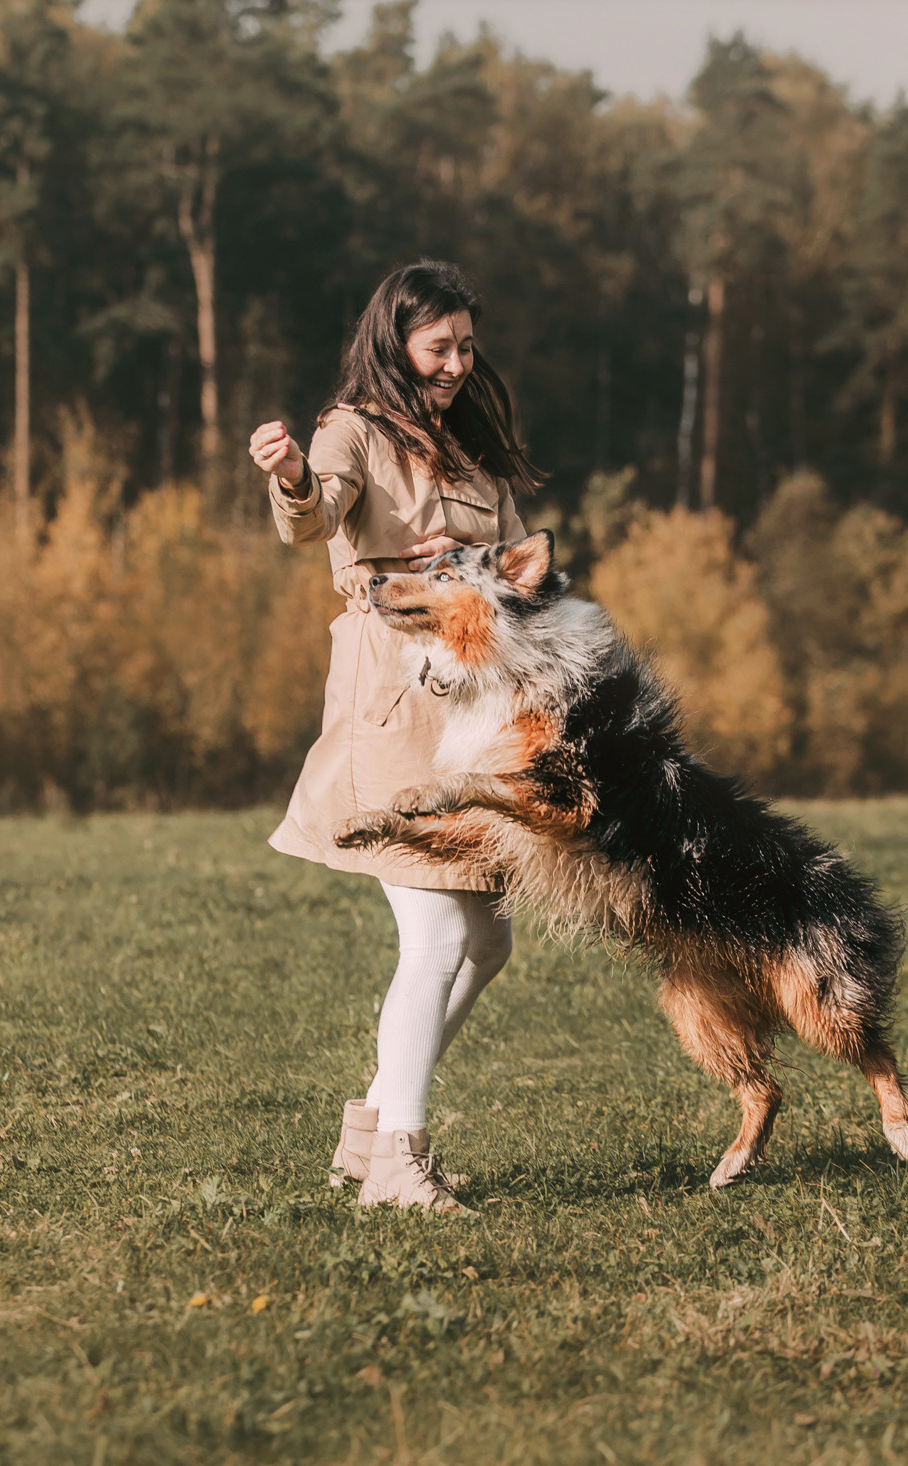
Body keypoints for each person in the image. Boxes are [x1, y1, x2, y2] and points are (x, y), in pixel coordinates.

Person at [248, 260, 543, 1214]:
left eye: (466, 345)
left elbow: (524, 561)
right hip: (392, 695)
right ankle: (396, 1165)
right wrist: (291, 476)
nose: (457, 362)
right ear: (396, 343)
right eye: (439, 346)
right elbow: (315, 516)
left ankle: (371, 1126)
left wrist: (474, 561)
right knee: (436, 930)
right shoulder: (351, 432)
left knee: (487, 938)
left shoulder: (474, 444)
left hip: (471, 703)